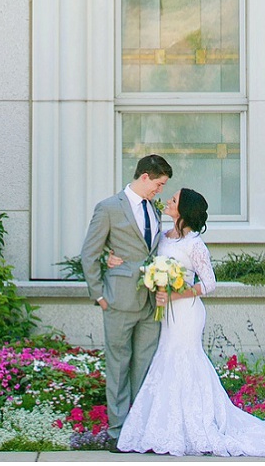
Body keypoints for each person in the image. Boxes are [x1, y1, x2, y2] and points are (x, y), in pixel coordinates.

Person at [117, 186, 265, 458]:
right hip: (166, 313)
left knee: (184, 359)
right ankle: (164, 426)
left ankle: (197, 424)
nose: (168, 202)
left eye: (174, 200)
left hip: (186, 312)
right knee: (165, 359)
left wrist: (177, 294)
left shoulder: (194, 244)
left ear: (184, 210)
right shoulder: (163, 236)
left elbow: (210, 283)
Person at [80, 153, 172, 449]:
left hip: (150, 303)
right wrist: (99, 295)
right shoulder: (108, 207)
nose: (161, 190)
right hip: (118, 300)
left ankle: (140, 428)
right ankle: (118, 433)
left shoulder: (154, 210)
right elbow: (89, 253)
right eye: (159, 184)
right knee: (118, 367)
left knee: (144, 367)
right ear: (144, 176)